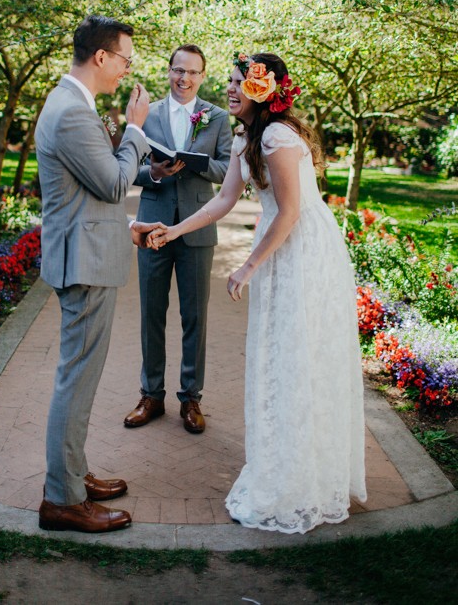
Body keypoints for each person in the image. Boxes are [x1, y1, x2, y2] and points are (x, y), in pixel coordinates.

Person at [148, 52, 366, 533]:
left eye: (236, 82)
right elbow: (224, 200)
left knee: (296, 360)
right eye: (227, 81)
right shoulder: (248, 136)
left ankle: (304, 478)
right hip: (280, 252)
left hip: (302, 255)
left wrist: (246, 267)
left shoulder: (275, 136)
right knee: (281, 362)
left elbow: (289, 212)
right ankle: (286, 468)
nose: (228, 89)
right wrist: (174, 229)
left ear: (262, 90)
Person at [34, 15, 163, 534]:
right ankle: (62, 499)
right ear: (102, 57)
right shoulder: (71, 113)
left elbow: (88, 193)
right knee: (77, 379)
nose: (128, 70)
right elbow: (111, 183)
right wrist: (136, 129)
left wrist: (127, 226)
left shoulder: (70, 105)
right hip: (83, 266)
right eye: (126, 59)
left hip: (88, 251)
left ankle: (70, 474)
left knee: (79, 377)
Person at [124, 45, 233, 434]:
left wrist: (198, 166)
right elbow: (125, 165)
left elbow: (227, 168)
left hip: (197, 229)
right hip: (151, 228)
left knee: (195, 317)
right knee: (152, 314)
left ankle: (191, 399)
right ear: (168, 72)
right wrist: (152, 172)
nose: (183, 78)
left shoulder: (218, 118)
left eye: (191, 72)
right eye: (177, 71)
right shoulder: (146, 115)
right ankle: (151, 395)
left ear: (202, 76)